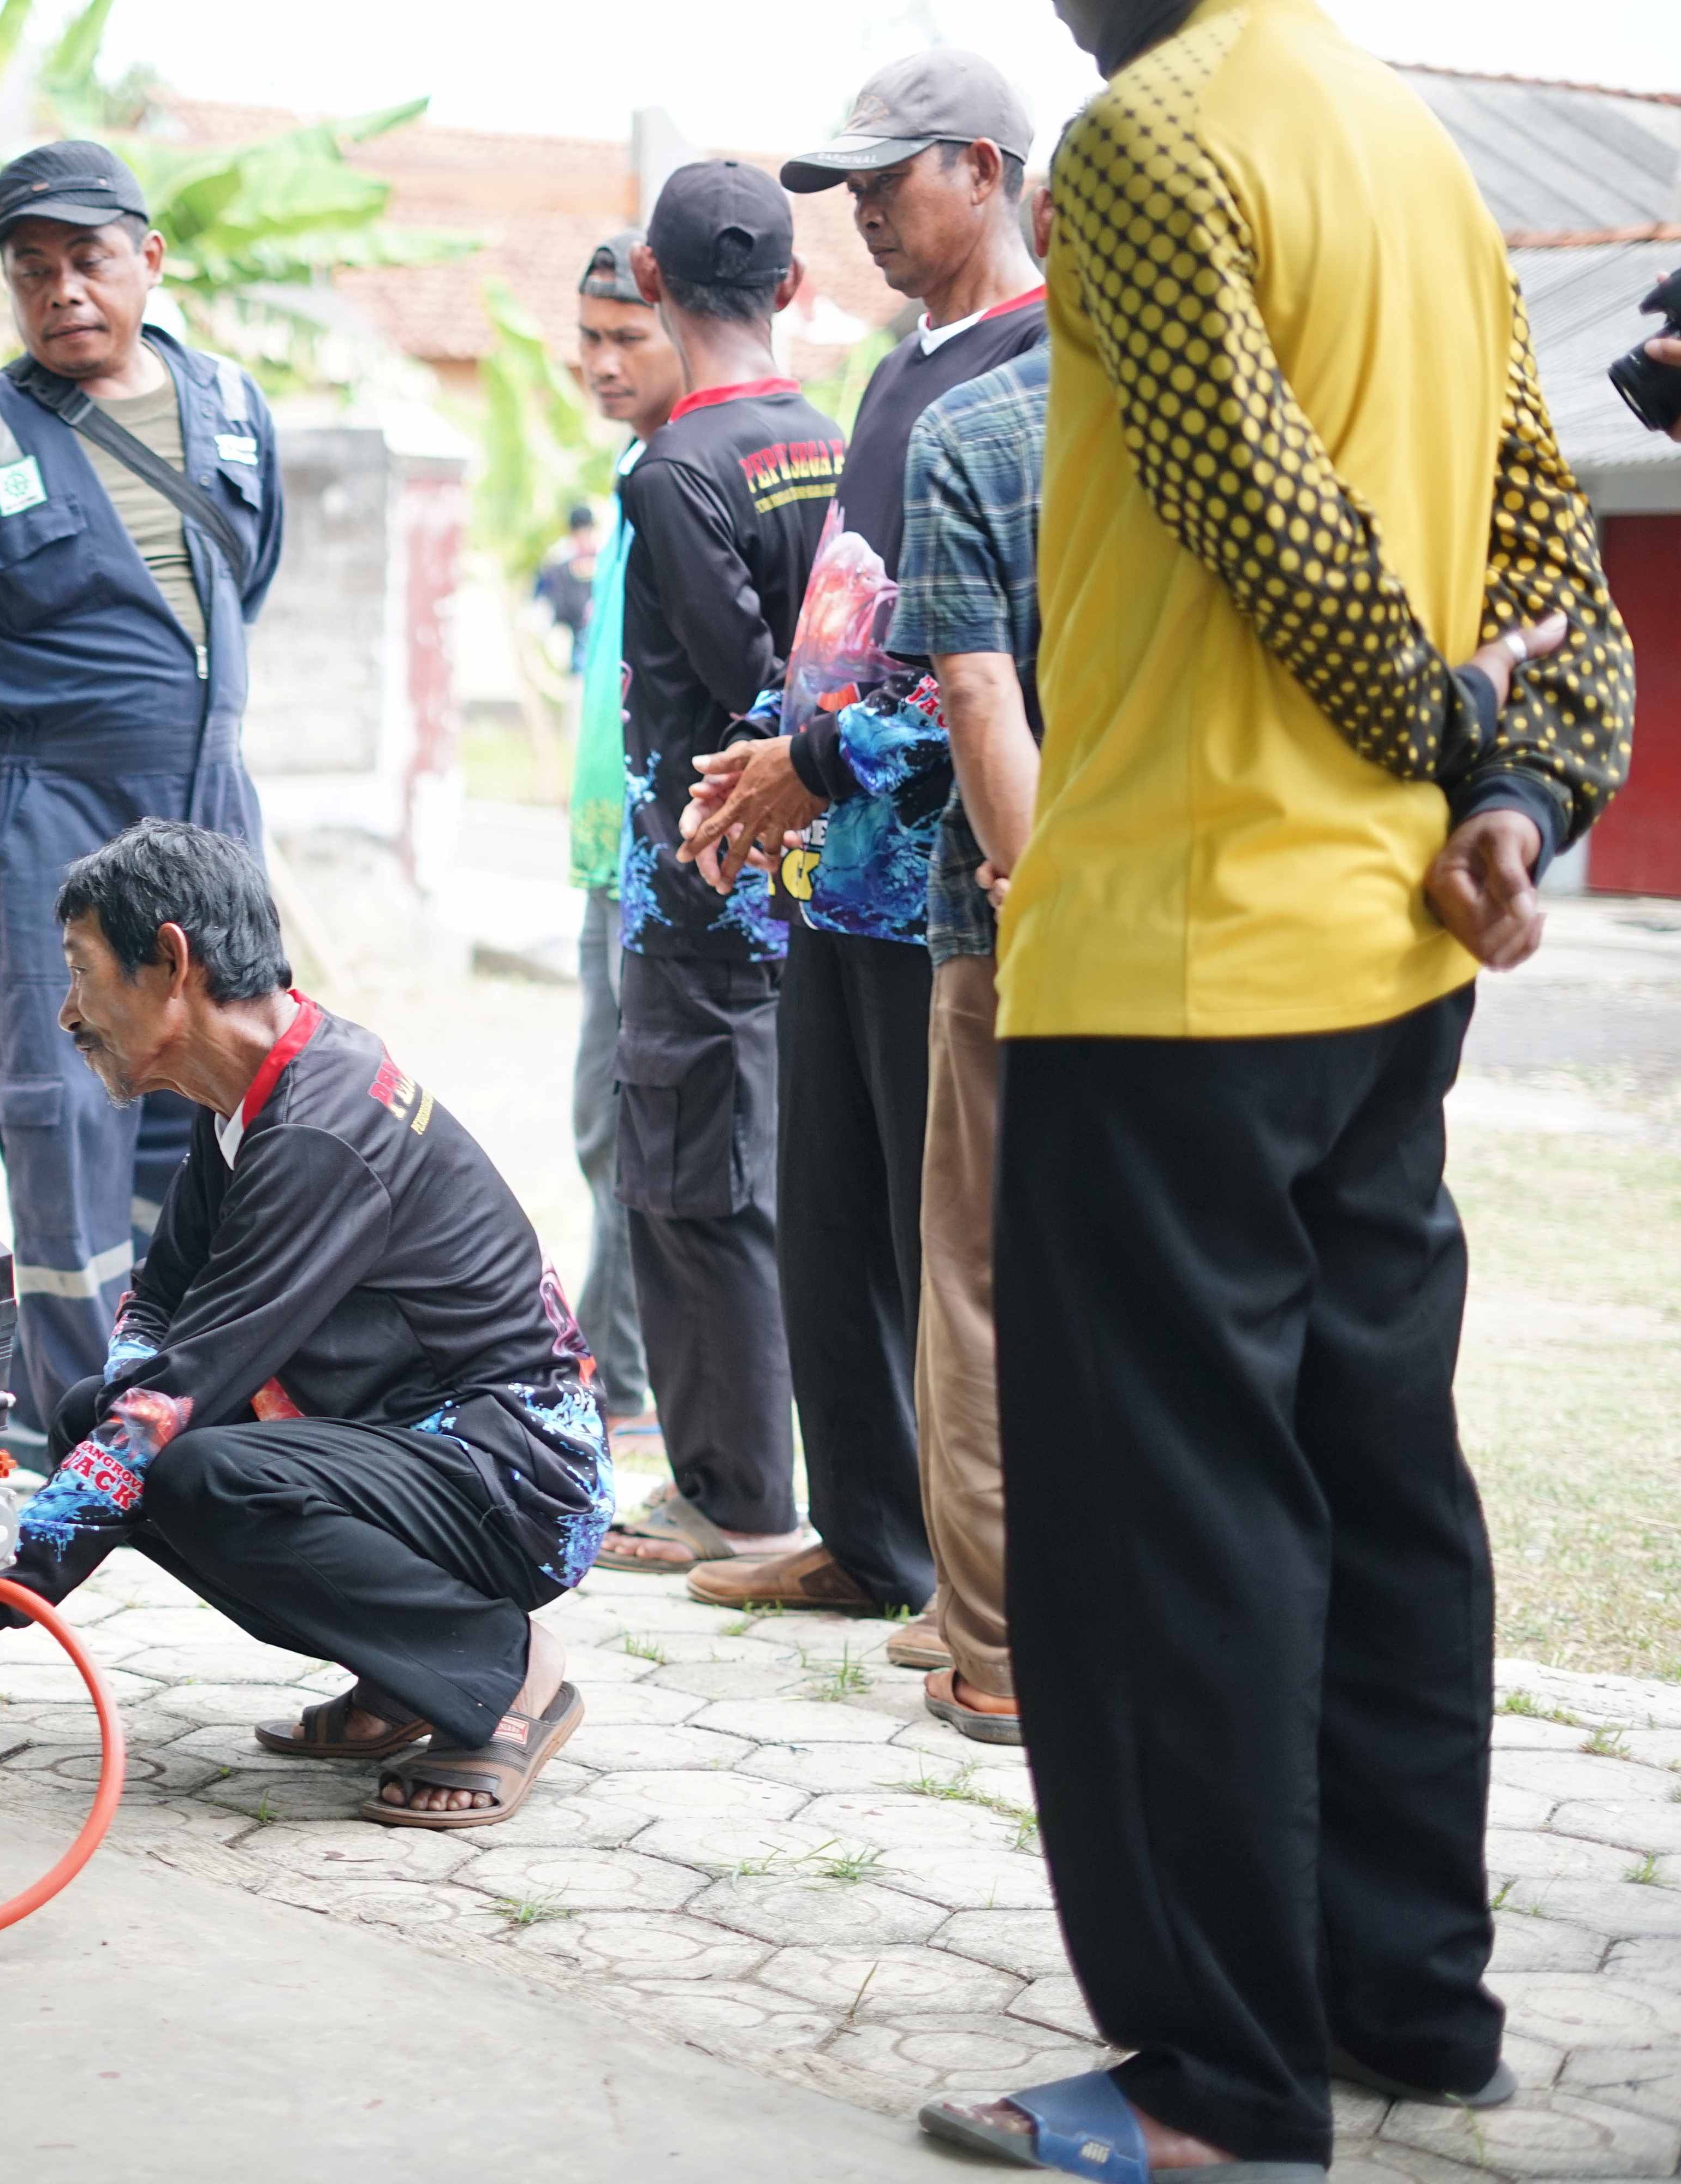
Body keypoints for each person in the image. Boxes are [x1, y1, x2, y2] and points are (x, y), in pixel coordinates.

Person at [912, 0, 1634, 2175]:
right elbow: (1552, 550)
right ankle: (1415, 2005)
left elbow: (1256, 493)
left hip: (1181, 948)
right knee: (1382, 1488)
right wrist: (1513, 790)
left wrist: (1435, 722)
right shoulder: (1416, 152)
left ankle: (1222, 2081)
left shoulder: (1145, 140)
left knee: (1169, 1536)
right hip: (1393, 946)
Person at [0, 821, 610, 1827]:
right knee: (109, 1416)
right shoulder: (255, 1096)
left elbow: (172, 1402)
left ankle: (505, 1675)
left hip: (519, 1474)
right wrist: (123, 1403)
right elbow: (157, 1297)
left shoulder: (317, 1132)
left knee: (184, 1463)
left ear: (171, 963)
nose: (68, 1012)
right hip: (415, 1443)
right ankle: (406, 1675)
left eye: (85, 974)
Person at [677, 50, 1046, 1628]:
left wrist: (822, 763)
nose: (867, 224)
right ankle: (869, 1539)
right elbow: (851, 607)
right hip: (835, 858)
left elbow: (986, 666)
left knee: (944, 1241)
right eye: (851, 196)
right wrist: (773, 766)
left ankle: (976, 1586)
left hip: (948, 877)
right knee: (830, 1223)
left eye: (889, 187)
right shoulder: (902, 364)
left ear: (981, 169)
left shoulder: (1038, 368)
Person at [0, 141, 284, 1449]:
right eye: (31, 268)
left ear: (149, 260)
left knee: (225, 1078)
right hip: (45, 805)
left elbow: (243, 584)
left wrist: (175, 728)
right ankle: (70, 1424)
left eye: (90, 259)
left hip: (208, 801)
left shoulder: (231, 407)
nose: (62, 290)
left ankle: (190, 1402)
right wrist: (37, 752)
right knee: (60, 1112)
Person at [581, 171, 836, 1578]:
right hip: (813, 887)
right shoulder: (824, 438)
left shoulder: (677, 467)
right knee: (766, 1176)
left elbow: (749, 688)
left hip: (704, 885)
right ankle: (759, 1475)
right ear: (791, 286)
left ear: (653, 282)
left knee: (690, 1184)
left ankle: (731, 1493)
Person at [876, 176, 1059, 1745]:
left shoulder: (985, 431)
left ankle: (996, 1650)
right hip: (1236, 925)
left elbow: (983, 700)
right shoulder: (1280, 416)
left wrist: (1030, 892)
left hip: (1021, 915)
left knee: (984, 1286)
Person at [564, 233, 673, 1449]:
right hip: (606, 862)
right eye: (588, 336)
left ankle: (632, 1381)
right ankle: (616, 1370)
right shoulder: (632, 471)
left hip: (659, 869)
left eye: (626, 336)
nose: (600, 361)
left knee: (645, 1125)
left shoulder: (686, 471)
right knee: (603, 1121)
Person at [531, 502, 605, 650]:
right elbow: (543, 594)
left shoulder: (601, 555)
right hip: (567, 629)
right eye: (581, 533)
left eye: (587, 532)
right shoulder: (559, 558)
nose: (584, 538)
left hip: (593, 629)